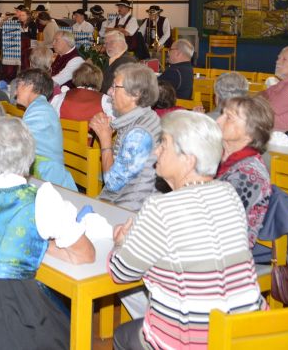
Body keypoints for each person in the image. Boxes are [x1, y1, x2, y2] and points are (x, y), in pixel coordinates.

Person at [109, 111, 266, 350]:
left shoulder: (161, 208)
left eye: (164, 144)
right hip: (246, 336)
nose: (156, 152)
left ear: (189, 160)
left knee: (123, 335)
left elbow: (121, 273)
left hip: (192, 341)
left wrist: (120, 243)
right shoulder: (229, 195)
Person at [0, 116, 95, 350]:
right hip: (16, 303)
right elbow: (85, 255)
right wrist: (38, 243)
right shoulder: (42, 198)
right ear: (30, 154)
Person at [91, 63, 161, 211]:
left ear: (135, 94)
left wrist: (105, 139)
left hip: (128, 210)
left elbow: (112, 183)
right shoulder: (145, 116)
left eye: (116, 87)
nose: (110, 92)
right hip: (121, 203)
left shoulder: (140, 135)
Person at [215, 95, 274, 247]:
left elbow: (221, 225)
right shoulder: (218, 158)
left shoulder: (249, 174)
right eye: (222, 114)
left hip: (228, 251)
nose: (218, 120)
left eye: (228, 117)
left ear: (250, 132)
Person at [15, 68, 78, 190]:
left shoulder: (41, 110)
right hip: (41, 178)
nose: (15, 92)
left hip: (50, 182)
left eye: (18, 85)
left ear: (29, 86)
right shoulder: (39, 107)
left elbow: (19, 140)